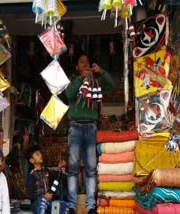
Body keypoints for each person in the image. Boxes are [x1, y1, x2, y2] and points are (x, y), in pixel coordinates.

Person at [65, 54, 115, 214]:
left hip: (91, 127)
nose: (85, 63)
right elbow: (69, 94)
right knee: (73, 168)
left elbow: (112, 85)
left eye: (87, 61)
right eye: (82, 62)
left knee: (91, 169)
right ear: (77, 67)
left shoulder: (96, 82)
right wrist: (80, 79)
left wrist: (102, 72)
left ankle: (91, 206)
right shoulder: (74, 82)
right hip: (75, 127)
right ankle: (72, 206)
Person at [25, 145, 68, 214]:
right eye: (37, 154)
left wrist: (51, 193)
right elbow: (30, 195)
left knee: (64, 205)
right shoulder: (31, 175)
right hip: (37, 205)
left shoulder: (46, 171)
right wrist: (44, 196)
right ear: (31, 160)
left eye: (40, 153)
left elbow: (56, 181)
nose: (40, 155)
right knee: (42, 200)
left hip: (48, 203)